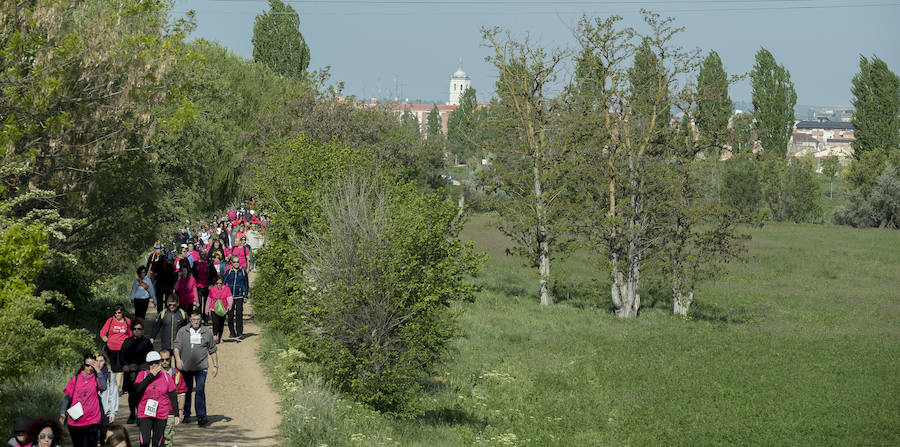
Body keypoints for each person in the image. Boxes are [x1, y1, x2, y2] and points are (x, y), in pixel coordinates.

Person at [173, 311, 217, 427]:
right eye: (193, 319)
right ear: (190, 320)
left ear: (201, 319)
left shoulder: (207, 332)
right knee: (185, 391)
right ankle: (186, 414)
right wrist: (177, 359)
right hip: (186, 367)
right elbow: (176, 347)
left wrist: (215, 366)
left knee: (199, 390)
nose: (196, 322)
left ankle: (201, 416)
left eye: (198, 319)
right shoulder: (183, 331)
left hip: (201, 368)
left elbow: (212, 349)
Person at [133, 352, 179, 447]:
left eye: (156, 362)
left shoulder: (166, 377)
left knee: (157, 443)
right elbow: (137, 389)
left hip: (161, 413)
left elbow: (173, 396)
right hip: (145, 413)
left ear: (160, 363)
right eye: (151, 363)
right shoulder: (142, 374)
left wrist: (176, 414)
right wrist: (151, 375)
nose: (153, 365)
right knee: (144, 442)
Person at [59, 354, 105, 447]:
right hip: (76, 422)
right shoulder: (75, 379)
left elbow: (104, 386)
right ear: (83, 364)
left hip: (92, 420)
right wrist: (62, 413)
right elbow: (67, 398)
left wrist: (98, 370)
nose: (89, 368)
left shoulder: (97, 379)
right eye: (87, 365)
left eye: (92, 365)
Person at [120, 319, 153, 425]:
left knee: (141, 394)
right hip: (130, 370)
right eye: (134, 329)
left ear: (142, 330)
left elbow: (151, 356)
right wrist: (124, 365)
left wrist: (148, 368)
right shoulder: (127, 341)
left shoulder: (146, 342)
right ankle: (132, 414)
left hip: (142, 370)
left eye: (139, 329)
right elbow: (121, 356)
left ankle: (140, 415)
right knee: (131, 394)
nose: (136, 331)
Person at [158, 349, 187, 447]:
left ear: (171, 359)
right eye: (162, 360)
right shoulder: (154, 374)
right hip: (155, 412)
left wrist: (180, 411)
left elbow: (182, 393)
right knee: (154, 439)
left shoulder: (177, 374)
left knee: (167, 439)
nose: (164, 362)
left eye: (167, 359)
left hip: (170, 412)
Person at [100, 305, 131, 393]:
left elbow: (130, 334)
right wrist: (104, 338)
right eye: (115, 313)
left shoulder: (127, 321)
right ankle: (113, 386)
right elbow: (102, 332)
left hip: (123, 348)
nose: (117, 314)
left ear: (122, 312)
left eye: (119, 313)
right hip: (111, 348)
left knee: (120, 368)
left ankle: (118, 388)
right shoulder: (110, 320)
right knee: (114, 368)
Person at [223, 257, 249, 338]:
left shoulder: (243, 272)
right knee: (230, 315)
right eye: (234, 262)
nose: (236, 263)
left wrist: (245, 296)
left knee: (239, 315)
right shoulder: (228, 272)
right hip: (230, 297)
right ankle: (232, 332)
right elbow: (223, 284)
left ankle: (239, 332)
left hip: (239, 296)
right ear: (232, 263)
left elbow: (246, 285)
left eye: (237, 262)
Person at [94, 352, 119, 436]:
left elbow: (113, 394)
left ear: (105, 362)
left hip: (106, 412)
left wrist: (113, 413)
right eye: (96, 361)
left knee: (104, 438)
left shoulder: (109, 375)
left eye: (101, 361)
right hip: (92, 413)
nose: (98, 363)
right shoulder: (90, 375)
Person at [205, 276, 232, 344]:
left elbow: (229, 298)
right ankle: (215, 335)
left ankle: (220, 337)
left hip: (223, 309)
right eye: (217, 283)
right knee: (215, 322)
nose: (219, 285)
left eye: (220, 283)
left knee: (221, 324)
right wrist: (206, 309)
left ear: (223, 283)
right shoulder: (212, 289)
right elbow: (209, 300)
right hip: (214, 309)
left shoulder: (227, 289)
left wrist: (230, 305)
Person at [194, 252, 210, 324]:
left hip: (207, 286)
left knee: (206, 304)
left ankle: (206, 319)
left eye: (204, 255)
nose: (203, 256)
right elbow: (193, 273)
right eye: (202, 255)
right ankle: (199, 319)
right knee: (199, 303)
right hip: (198, 286)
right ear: (199, 256)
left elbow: (213, 273)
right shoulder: (195, 264)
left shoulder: (208, 264)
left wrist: (211, 284)